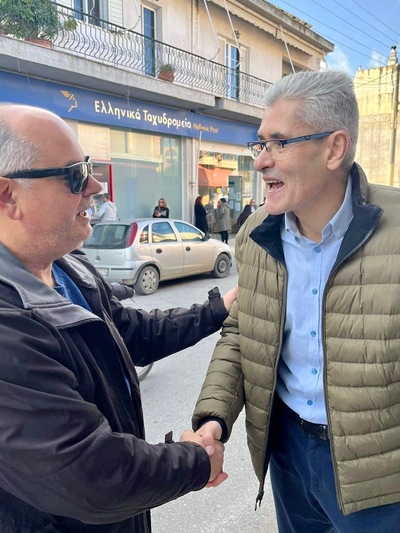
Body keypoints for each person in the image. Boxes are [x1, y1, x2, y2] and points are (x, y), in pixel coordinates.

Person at [0, 103, 238, 532]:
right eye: (75, 175)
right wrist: (196, 462)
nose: (95, 186)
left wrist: (217, 310)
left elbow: (133, 333)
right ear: (7, 196)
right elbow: (90, 475)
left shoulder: (69, 268)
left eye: (89, 167)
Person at [192, 70, 400, 532]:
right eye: (260, 144)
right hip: (287, 453)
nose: (260, 162)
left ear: (334, 148)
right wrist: (214, 418)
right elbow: (243, 332)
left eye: (280, 143)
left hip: (378, 475)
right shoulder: (256, 233)